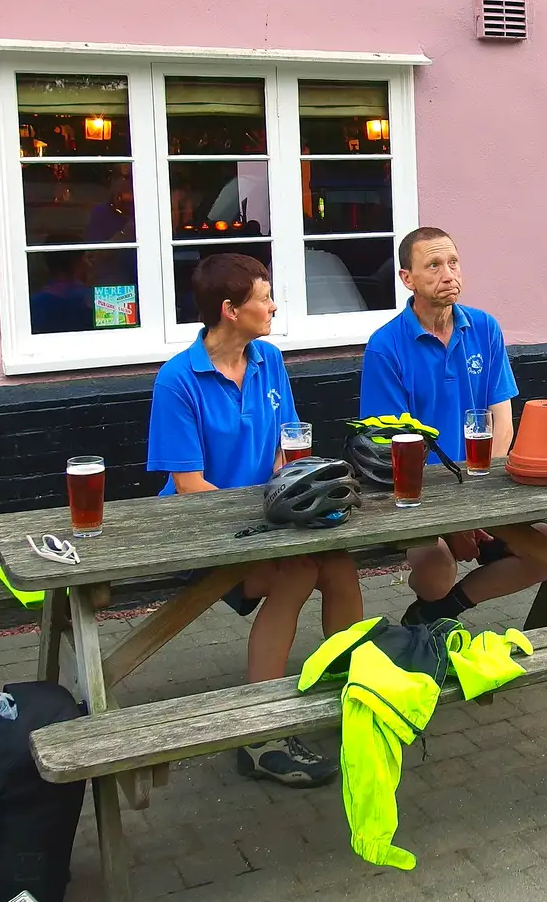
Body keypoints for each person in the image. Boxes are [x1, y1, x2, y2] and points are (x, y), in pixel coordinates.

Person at [147, 253, 363, 788]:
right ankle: (260, 735)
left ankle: (356, 687)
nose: (272, 306)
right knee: (299, 571)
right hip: (201, 530)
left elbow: (285, 453)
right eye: (263, 297)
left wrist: (300, 493)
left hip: (268, 518)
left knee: (337, 560)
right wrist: (273, 515)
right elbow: (189, 486)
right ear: (229, 310)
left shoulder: (268, 360)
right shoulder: (178, 381)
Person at [359, 227, 547, 626]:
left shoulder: (485, 328)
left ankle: (442, 611)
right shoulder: (385, 346)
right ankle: (435, 600)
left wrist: (480, 504)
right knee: (438, 570)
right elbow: (393, 449)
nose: (448, 274)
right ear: (407, 279)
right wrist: (452, 522)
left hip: (481, 486)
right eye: (433, 265)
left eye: (453, 262)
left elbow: (503, 422)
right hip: (419, 496)